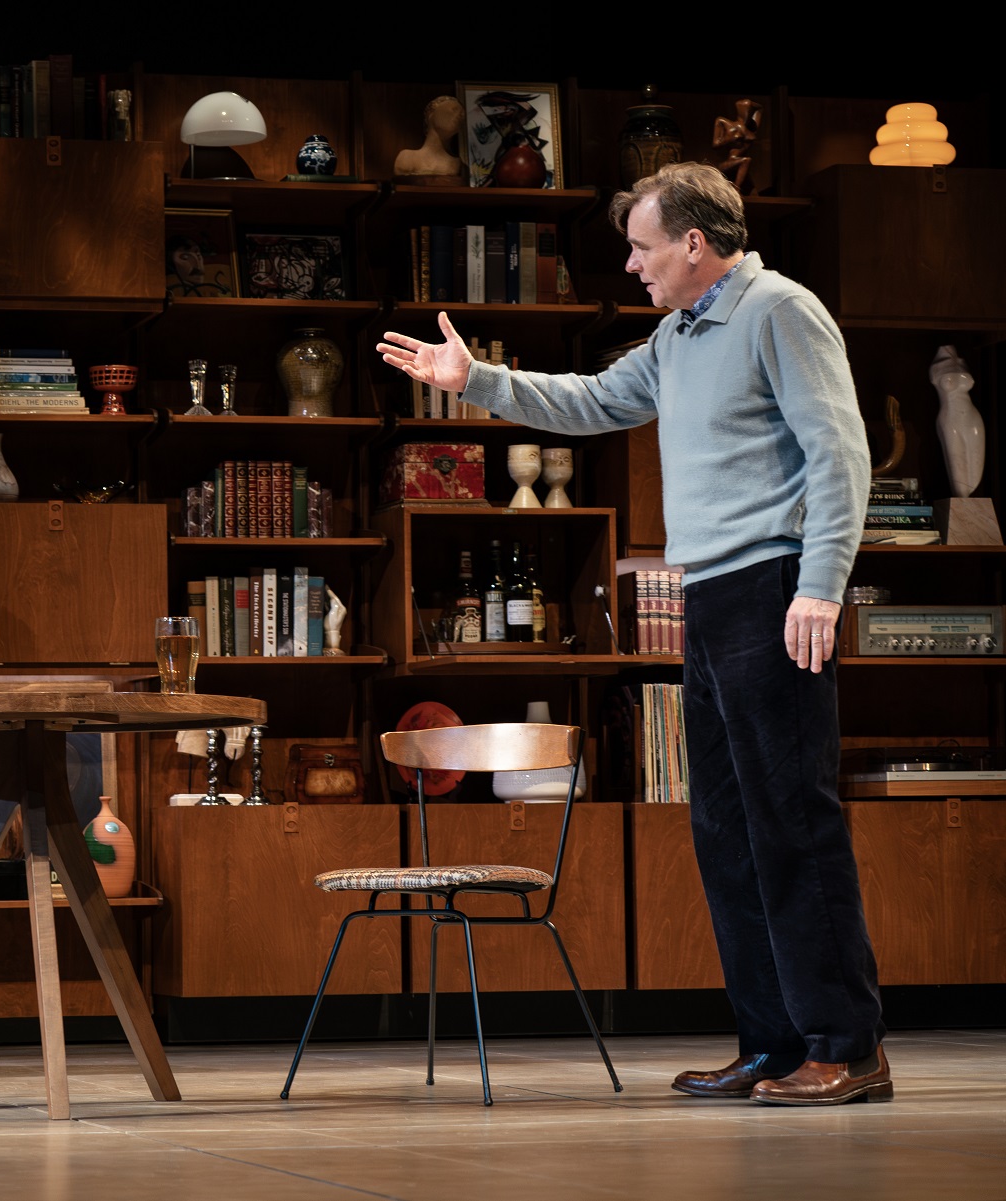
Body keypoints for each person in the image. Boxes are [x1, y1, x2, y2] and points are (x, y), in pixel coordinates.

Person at [376, 161, 889, 1106]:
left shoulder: (778, 309)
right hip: (709, 594)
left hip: (776, 586)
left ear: (694, 242)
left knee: (790, 821)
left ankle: (844, 1045)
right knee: (724, 829)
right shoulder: (677, 332)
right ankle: (773, 1044)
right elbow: (593, 402)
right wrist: (474, 378)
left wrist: (819, 586)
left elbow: (839, 452)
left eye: (643, 246)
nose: (631, 264)